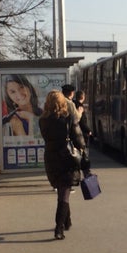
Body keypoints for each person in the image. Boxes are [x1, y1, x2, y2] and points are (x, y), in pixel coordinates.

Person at [38, 90, 85, 240]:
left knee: (62, 189)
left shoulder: (43, 120)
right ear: (62, 102)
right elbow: (78, 138)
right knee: (63, 195)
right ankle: (59, 228)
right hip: (66, 158)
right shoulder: (68, 118)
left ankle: (67, 221)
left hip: (51, 158)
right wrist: (83, 150)